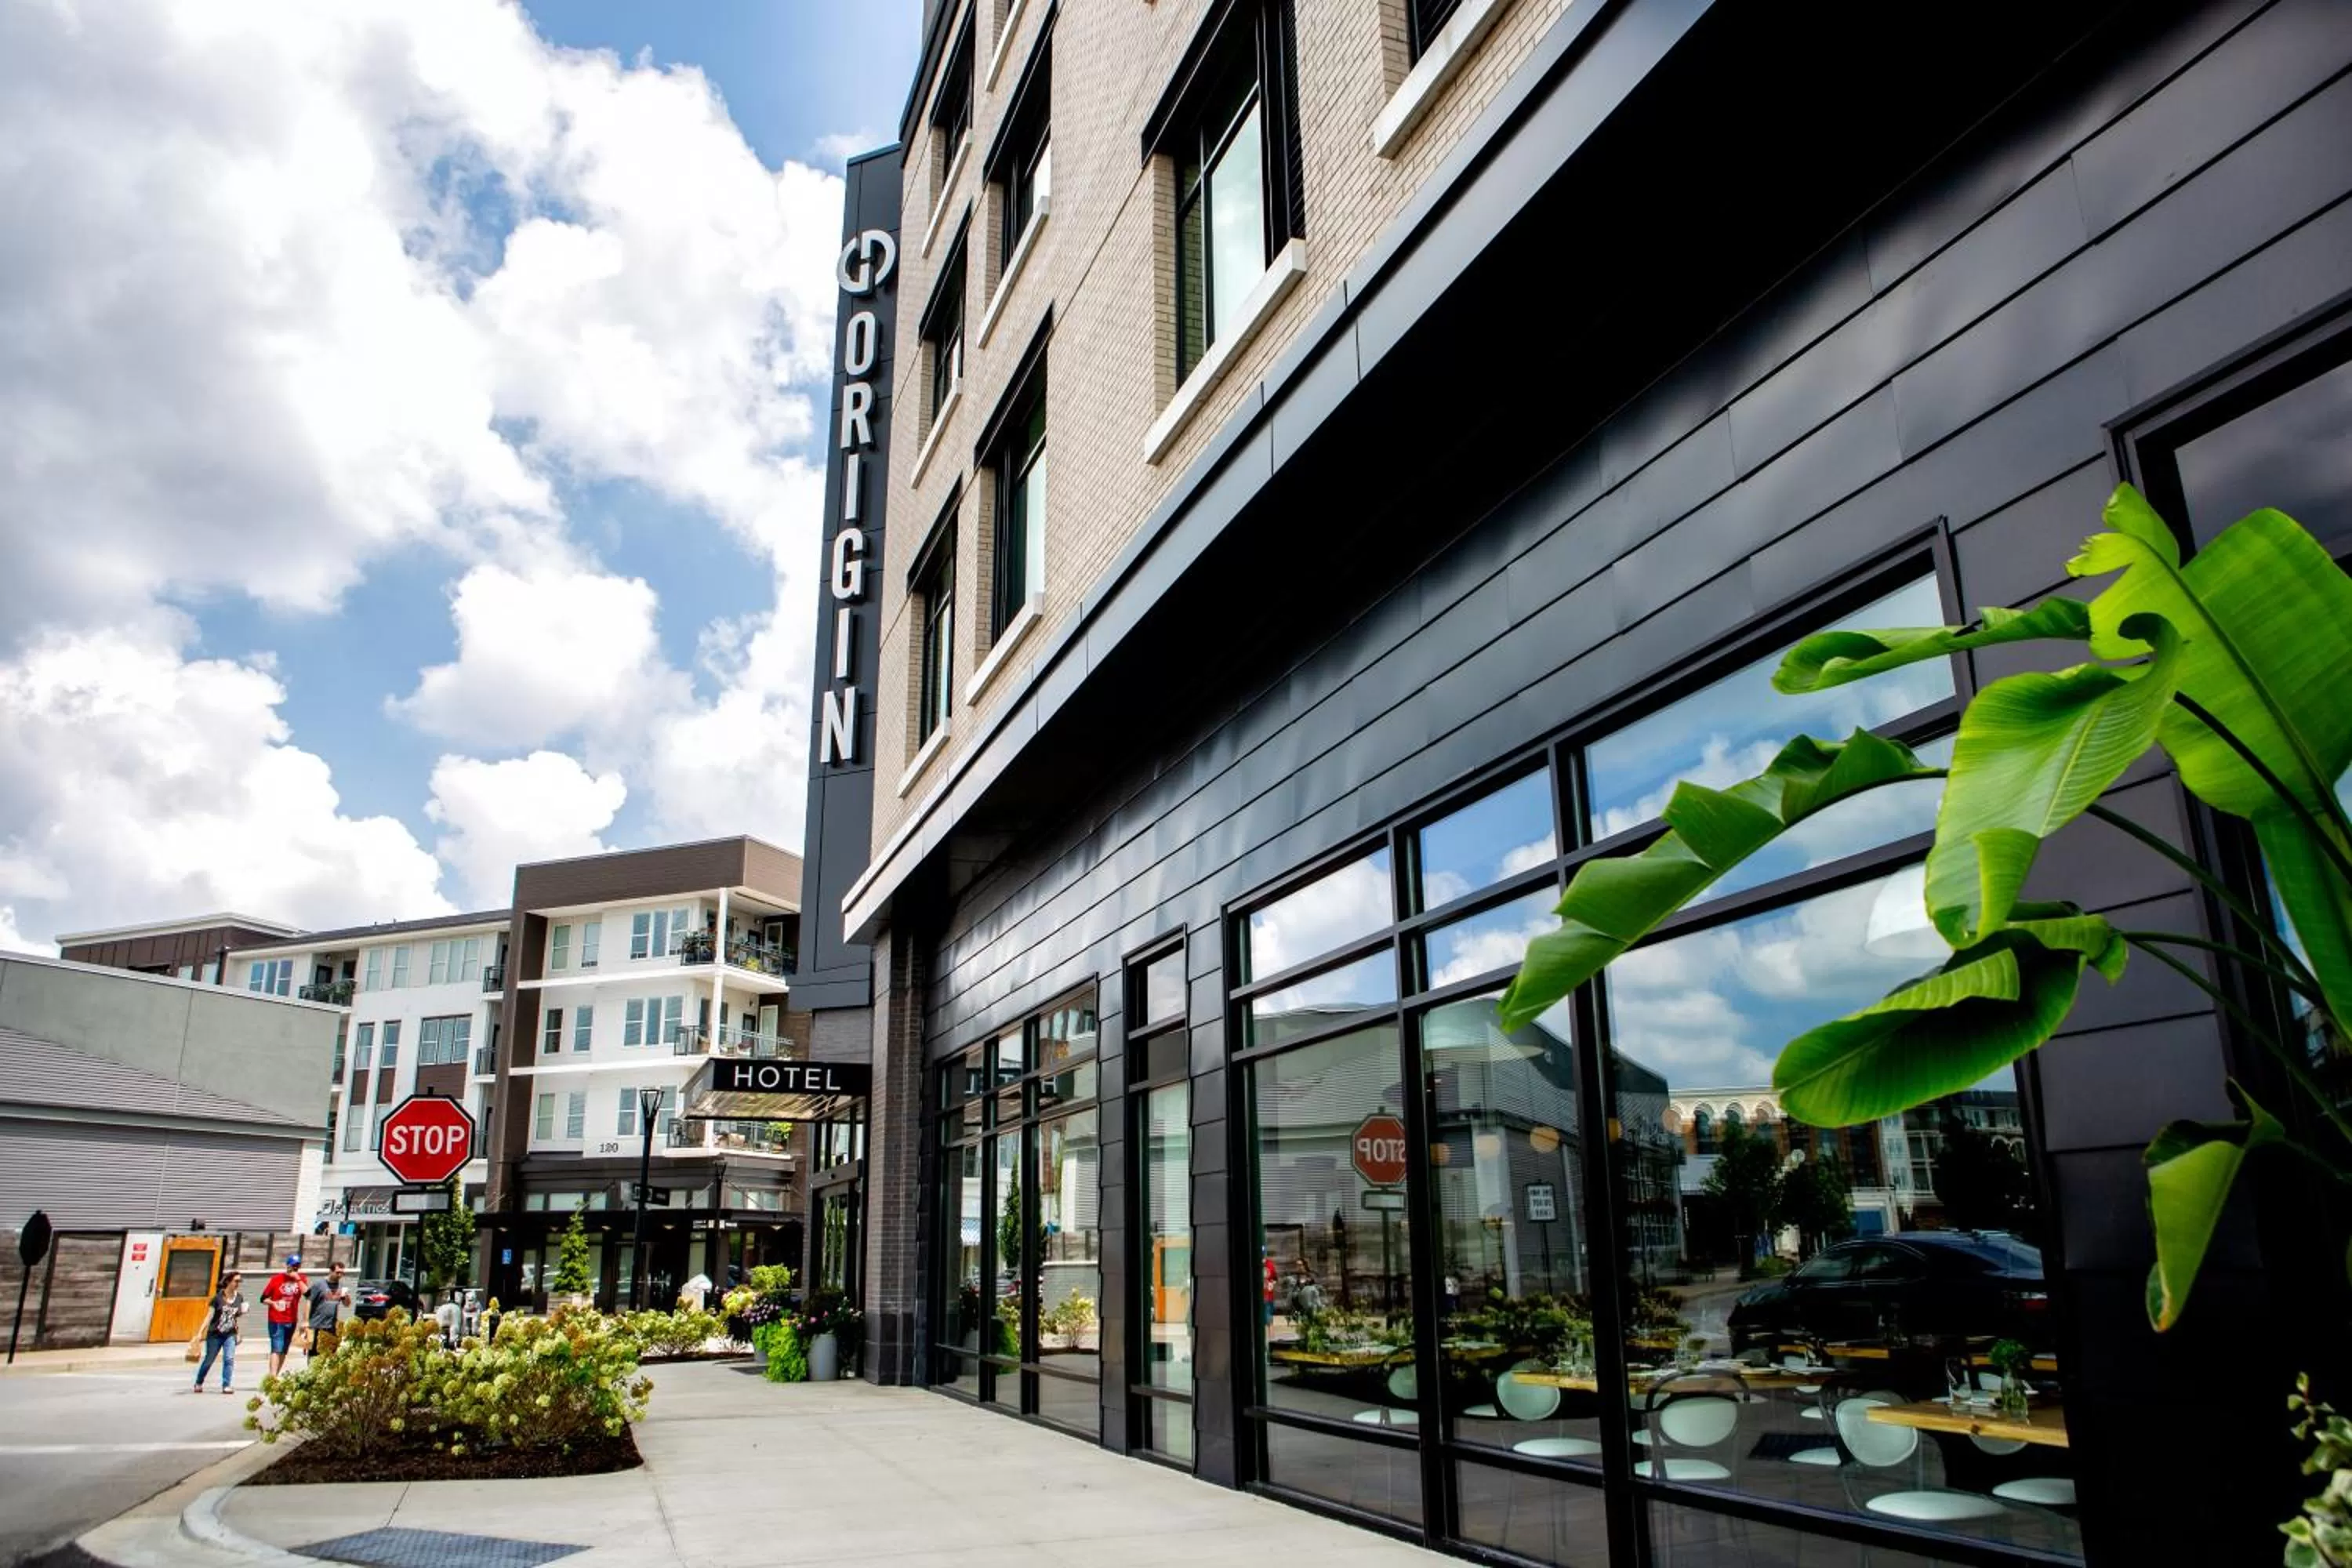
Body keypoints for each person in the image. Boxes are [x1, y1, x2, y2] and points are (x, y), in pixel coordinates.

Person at [192, 1271, 246, 1394]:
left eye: (239, 1281)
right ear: (228, 1281)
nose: (238, 1284)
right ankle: (199, 1382)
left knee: (229, 1359)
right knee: (209, 1360)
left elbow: (236, 1317)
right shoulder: (218, 1298)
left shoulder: (239, 1298)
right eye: (236, 1281)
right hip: (215, 1334)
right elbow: (209, 1316)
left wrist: (238, 1333)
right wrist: (200, 1332)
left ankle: (226, 1385)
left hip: (230, 1334)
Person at [261, 1254, 307, 1376]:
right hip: (277, 1319)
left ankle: (276, 1374)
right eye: (293, 1266)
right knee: (276, 1347)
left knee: (284, 1350)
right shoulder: (276, 1279)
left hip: (291, 1319)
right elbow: (263, 1298)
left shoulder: (301, 1279)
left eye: (297, 1266)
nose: (295, 1269)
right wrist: (273, 1303)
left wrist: (298, 1279)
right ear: (288, 1266)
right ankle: (272, 1377)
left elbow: (308, 1294)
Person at [304, 1262, 348, 1362]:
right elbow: (309, 1301)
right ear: (331, 1271)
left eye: (342, 1273)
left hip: (331, 1326)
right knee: (314, 1355)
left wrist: (345, 1296)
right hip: (317, 1325)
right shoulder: (319, 1285)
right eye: (337, 1273)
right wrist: (306, 1322)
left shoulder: (340, 1287)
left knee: (331, 1354)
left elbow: (347, 1304)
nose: (340, 1275)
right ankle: (312, 1375)